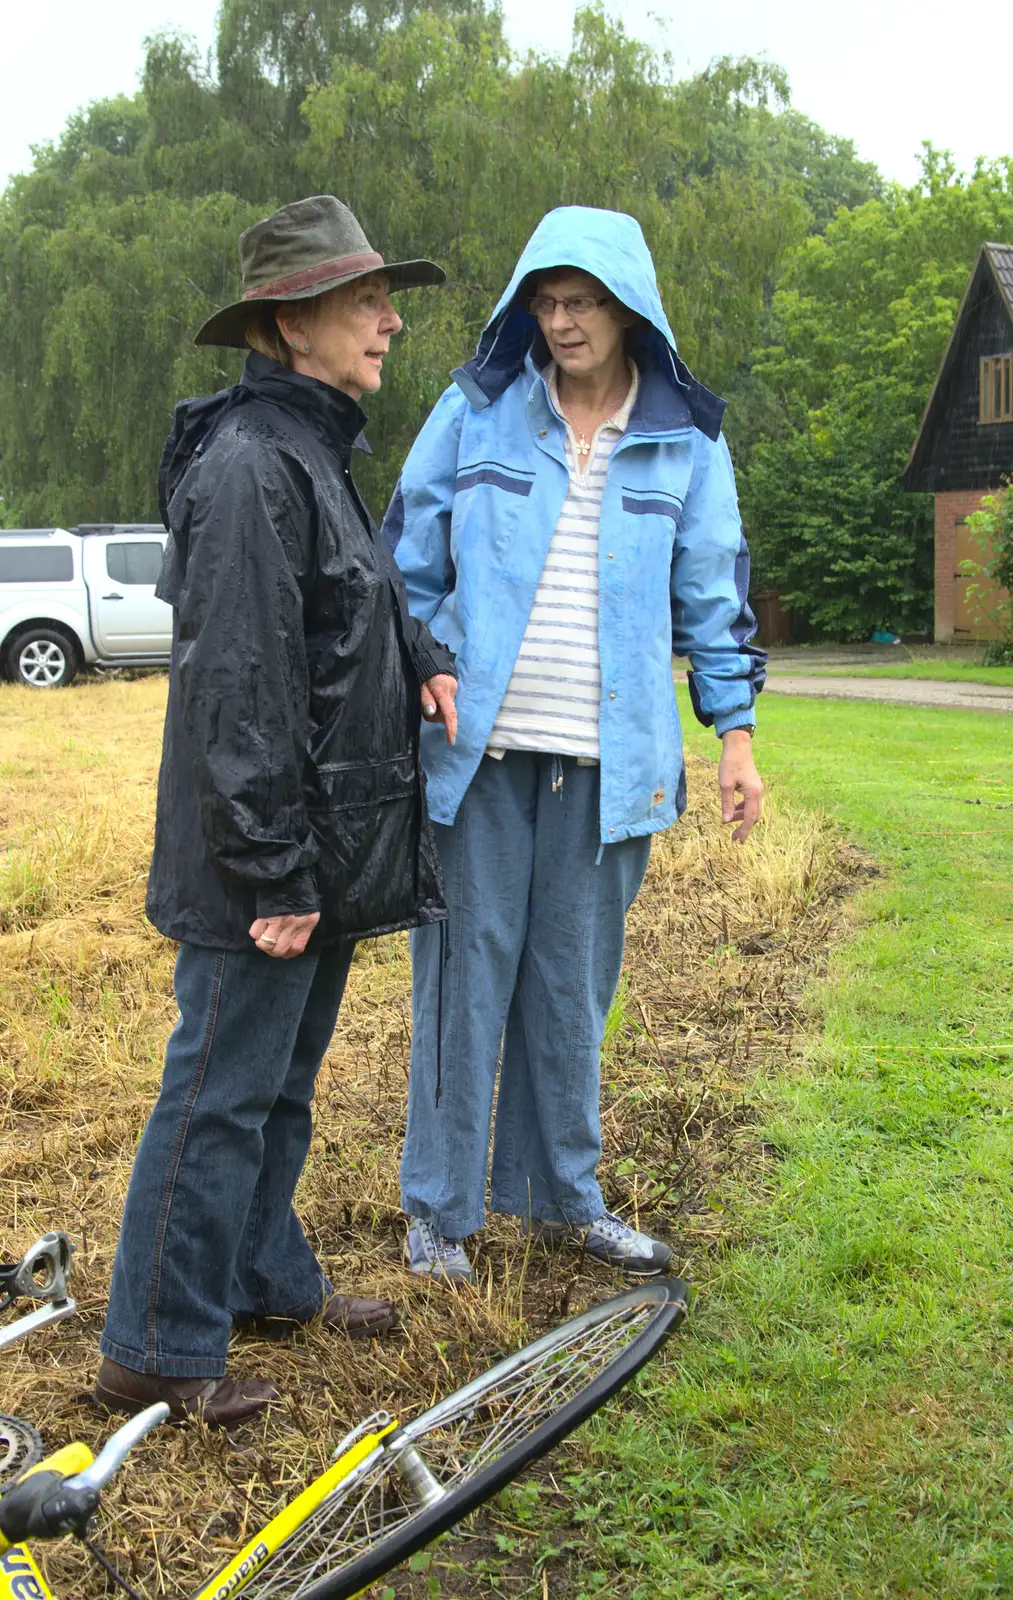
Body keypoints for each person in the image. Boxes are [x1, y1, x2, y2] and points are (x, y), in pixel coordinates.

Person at [96, 196, 458, 1424]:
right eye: (368, 301)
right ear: (292, 321)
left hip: (323, 845)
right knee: (215, 1093)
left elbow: (344, 602)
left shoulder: (311, 447)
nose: (391, 320)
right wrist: (273, 873)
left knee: (279, 1082)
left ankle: (260, 1272)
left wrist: (418, 655)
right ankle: (155, 1338)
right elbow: (240, 685)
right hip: (268, 861)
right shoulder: (255, 462)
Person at [384, 205, 766, 1285]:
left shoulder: (686, 437)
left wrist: (733, 736)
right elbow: (403, 569)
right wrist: (412, 671)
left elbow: (712, 595)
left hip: (610, 767)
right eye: (545, 302)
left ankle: (564, 1199)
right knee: (462, 988)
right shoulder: (477, 413)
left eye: (582, 301)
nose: (560, 322)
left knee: (568, 991)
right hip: (477, 758)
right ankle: (440, 1214)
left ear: (628, 306)